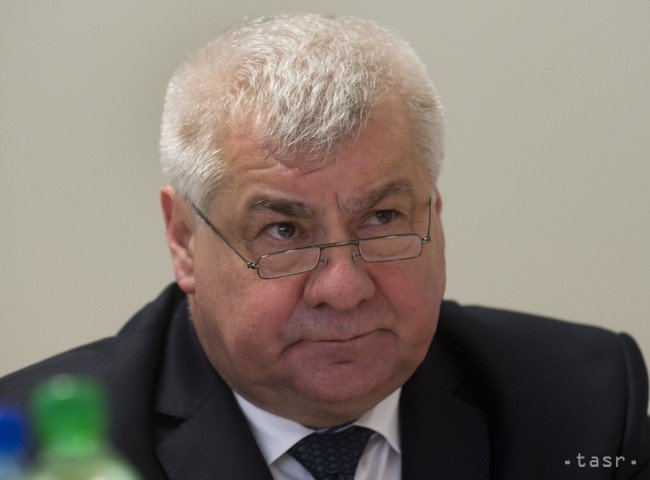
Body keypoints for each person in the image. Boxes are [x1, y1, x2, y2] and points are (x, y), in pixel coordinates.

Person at [1, 13, 648, 480]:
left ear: (435, 215)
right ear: (185, 241)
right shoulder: (35, 454)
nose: (343, 288)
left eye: (383, 218)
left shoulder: (583, 400)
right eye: (283, 231)